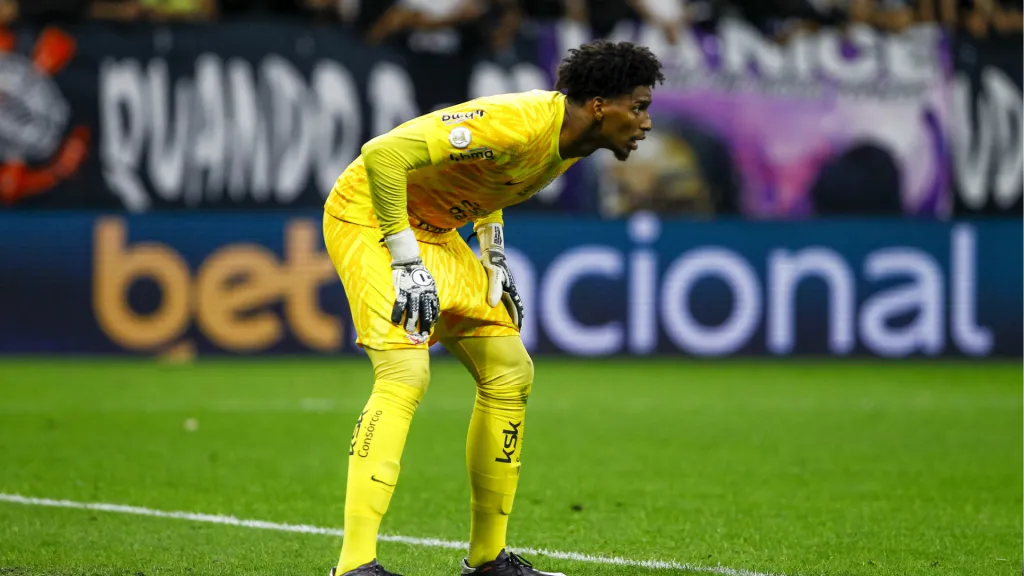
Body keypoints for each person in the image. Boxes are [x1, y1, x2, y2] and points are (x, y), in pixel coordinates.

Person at [321, 39, 664, 576]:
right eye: (639, 107)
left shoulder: (566, 142)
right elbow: (382, 154)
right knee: (405, 373)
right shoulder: (519, 121)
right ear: (600, 105)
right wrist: (406, 260)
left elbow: (490, 181)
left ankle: (488, 561)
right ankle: (355, 564)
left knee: (509, 370)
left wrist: (493, 253)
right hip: (370, 216)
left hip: (436, 230)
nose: (646, 122)